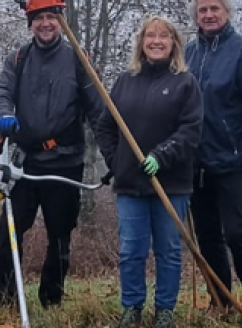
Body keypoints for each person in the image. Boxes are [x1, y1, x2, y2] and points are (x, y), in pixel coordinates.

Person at [0, 0, 104, 312]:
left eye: (51, 16)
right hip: (25, 162)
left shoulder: (77, 61)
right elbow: (2, 93)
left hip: (65, 162)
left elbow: (98, 110)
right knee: (8, 233)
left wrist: (115, 154)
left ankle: (51, 299)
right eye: (38, 17)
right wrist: (4, 114)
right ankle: (7, 301)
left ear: (60, 19)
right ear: (30, 22)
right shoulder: (18, 59)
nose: (45, 23)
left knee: (59, 236)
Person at [95, 16, 203, 328]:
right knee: (131, 251)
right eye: (150, 36)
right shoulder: (126, 80)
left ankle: (165, 311)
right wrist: (118, 162)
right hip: (130, 185)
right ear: (142, 43)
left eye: (164, 36)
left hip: (172, 184)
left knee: (168, 251)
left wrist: (162, 155)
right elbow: (105, 126)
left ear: (174, 44)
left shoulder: (185, 83)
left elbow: (190, 131)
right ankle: (132, 308)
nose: (156, 41)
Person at [183, 0, 242, 318]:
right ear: (196, 16)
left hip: (232, 160)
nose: (208, 15)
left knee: (237, 233)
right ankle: (220, 300)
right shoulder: (188, 54)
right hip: (196, 162)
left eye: (214, 9)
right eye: (202, 10)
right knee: (207, 238)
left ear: (227, 13)